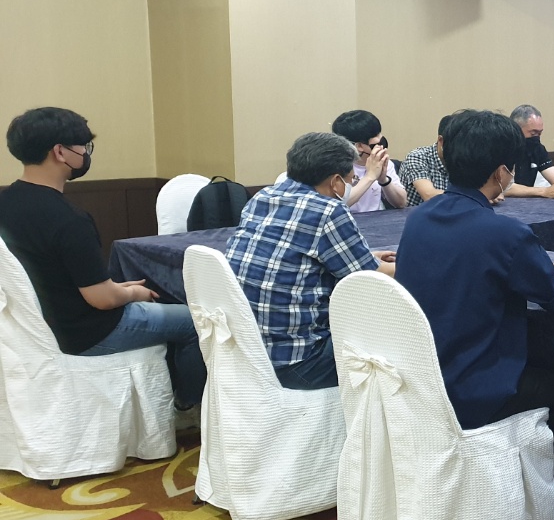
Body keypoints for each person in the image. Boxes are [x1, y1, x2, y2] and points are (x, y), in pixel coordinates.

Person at [395, 110, 554, 505]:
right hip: (475, 388)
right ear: (502, 173)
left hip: (420, 381)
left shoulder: (419, 219)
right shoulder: (506, 233)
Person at [0, 107, 205, 408]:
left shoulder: (6, 202)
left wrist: (116, 289)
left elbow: (59, 277)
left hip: (34, 328)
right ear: (60, 152)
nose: (85, 153)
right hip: (84, 334)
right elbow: (102, 300)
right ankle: (188, 407)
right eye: (83, 146)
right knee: (196, 322)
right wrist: (132, 293)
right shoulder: (69, 220)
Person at [227, 132, 396, 389]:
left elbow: (296, 254)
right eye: (352, 179)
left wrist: (367, 256)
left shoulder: (263, 197)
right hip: (300, 362)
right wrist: (423, 261)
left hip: (247, 351)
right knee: (396, 344)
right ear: (336, 182)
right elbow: (374, 275)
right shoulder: (328, 210)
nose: (352, 185)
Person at [331, 110, 406, 211]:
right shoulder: (334, 166)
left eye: (379, 133)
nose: (380, 138)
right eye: (375, 135)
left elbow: (401, 203)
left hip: (377, 217)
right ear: (359, 146)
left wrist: (384, 180)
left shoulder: (382, 161)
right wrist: (370, 176)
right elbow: (336, 206)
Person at [399, 113, 455, 206]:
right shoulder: (418, 156)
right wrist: (468, 198)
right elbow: (428, 195)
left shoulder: (464, 159)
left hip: (451, 212)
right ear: (441, 141)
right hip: (416, 213)